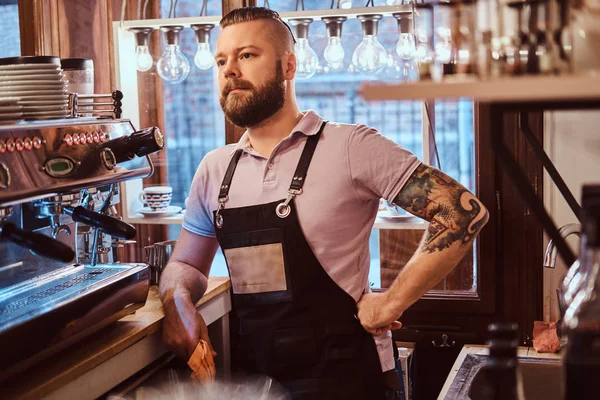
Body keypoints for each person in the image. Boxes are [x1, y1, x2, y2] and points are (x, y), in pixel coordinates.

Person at [159, 6, 489, 400]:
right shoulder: (214, 170)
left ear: (288, 66)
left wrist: (389, 304)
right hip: (258, 384)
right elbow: (185, 263)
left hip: (349, 380)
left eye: (247, 55)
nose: (230, 70)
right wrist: (177, 301)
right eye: (221, 60)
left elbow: (461, 211)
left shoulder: (351, 147)